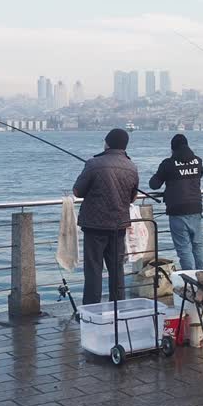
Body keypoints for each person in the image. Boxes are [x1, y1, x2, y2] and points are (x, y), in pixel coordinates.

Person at [72, 128, 139, 305]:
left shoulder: (94, 163)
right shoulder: (132, 166)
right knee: (117, 269)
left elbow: (78, 191)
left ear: (107, 143)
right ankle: (118, 307)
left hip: (95, 225)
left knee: (94, 269)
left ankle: (91, 309)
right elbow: (132, 197)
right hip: (119, 225)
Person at [148, 134, 203, 272]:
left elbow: (154, 184)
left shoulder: (168, 164)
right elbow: (200, 174)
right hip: (196, 208)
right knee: (198, 244)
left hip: (177, 210)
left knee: (183, 247)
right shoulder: (197, 161)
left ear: (172, 148)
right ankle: (202, 273)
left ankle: (190, 276)